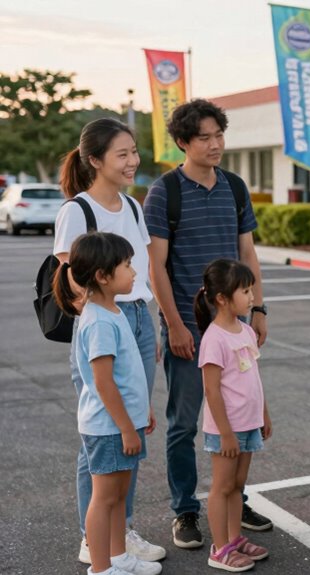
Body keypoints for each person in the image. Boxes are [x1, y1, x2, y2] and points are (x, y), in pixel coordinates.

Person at [142, 99, 272, 550]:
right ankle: (186, 510)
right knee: (183, 423)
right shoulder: (165, 192)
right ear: (183, 142)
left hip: (234, 328)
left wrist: (258, 309)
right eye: (205, 138)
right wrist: (175, 326)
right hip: (188, 329)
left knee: (241, 413)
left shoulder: (235, 187)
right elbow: (155, 267)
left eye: (220, 135)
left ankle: (235, 499)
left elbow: (248, 252)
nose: (216, 144)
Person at [54, 118, 165, 566]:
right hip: (106, 322)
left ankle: (122, 536)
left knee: (132, 427)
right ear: (95, 160)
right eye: (122, 154)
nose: (133, 161)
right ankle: (92, 537)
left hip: (137, 316)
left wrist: (154, 323)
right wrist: (113, 326)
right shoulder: (76, 212)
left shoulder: (133, 207)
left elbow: (145, 271)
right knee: (102, 433)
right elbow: (75, 281)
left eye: (134, 151)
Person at [194, 259, 272, 572]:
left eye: (251, 289)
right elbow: (212, 391)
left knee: (238, 485)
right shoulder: (214, 339)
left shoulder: (246, 332)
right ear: (223, 298)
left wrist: (263, 414)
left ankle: (235, 538)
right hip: (226, 428)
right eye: (245, 291)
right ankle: (220, 548)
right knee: (222, 487)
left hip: (248, 422)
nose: (252, 297)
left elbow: (254, 377)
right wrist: (225, 432)